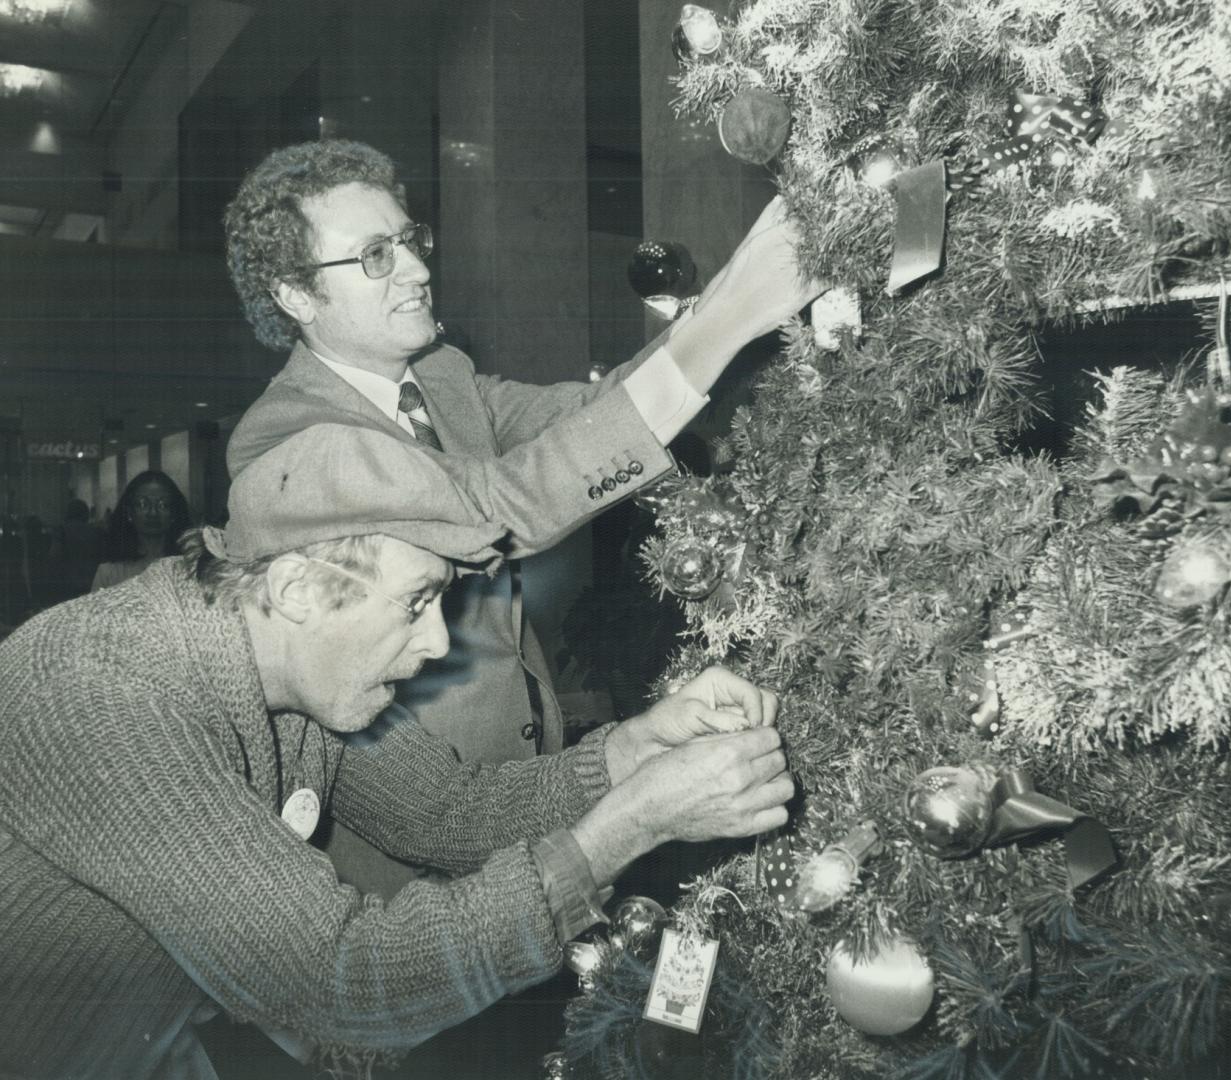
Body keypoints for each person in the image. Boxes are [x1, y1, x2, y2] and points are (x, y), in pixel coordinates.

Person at [0, 424, 793, 1079]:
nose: (439, 641)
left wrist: (632, 749)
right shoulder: (105, 692)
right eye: (416, 602)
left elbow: (451, 813)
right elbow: (341, 980)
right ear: (299, 590)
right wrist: (628, 827)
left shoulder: (295, 667)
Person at [223, 138, 819, 895]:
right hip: (410, 863)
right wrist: (722, 325)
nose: (416, 269)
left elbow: (587, 414)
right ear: (296, 296)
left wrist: (732, 302)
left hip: (532, 783)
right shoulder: (288, 440)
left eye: (410, 241)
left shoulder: (439, 377)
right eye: (375, 255)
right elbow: (495, 506)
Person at [91, 469, 194, 591]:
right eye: (143, 504)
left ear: (174, 513)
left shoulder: (190, 568)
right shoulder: (108, 573)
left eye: (163, 505)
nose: (153, 513)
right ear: (129, 512)